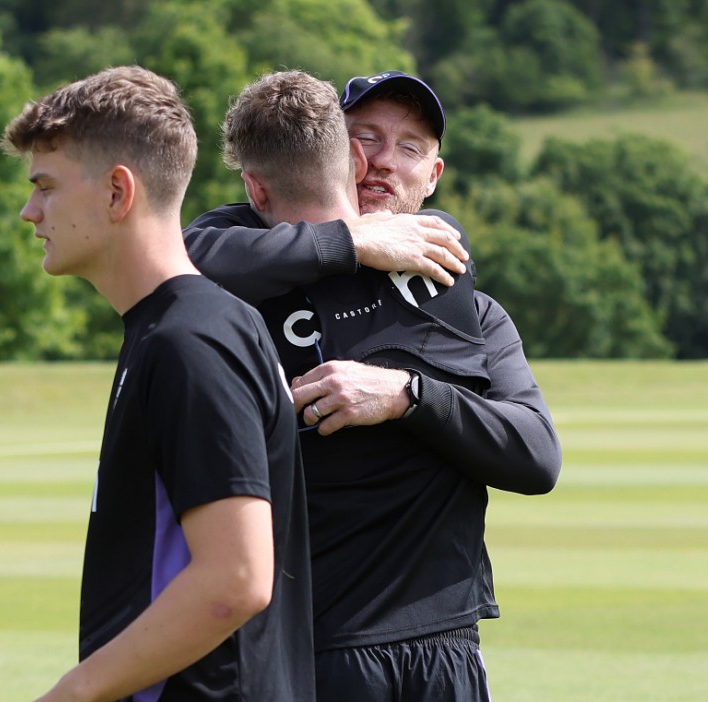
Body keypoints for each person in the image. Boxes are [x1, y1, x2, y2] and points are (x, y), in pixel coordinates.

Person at [185, 69, 561, 701]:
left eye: (411, 146)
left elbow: (537, 456)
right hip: (308, 647)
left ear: (433, 175)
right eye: (367, 138)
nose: (385, 161)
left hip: (443, 646)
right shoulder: (253, 259)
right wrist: (348, 240)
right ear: (337, 152)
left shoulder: (467, 308)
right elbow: (180, 259)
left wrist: (407, 395)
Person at [0, 66, 314, 702]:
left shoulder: (189, 342)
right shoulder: (175, 330)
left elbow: (237, 579)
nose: (29, 211)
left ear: (118, 193)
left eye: (45, 186)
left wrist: (76, 691)